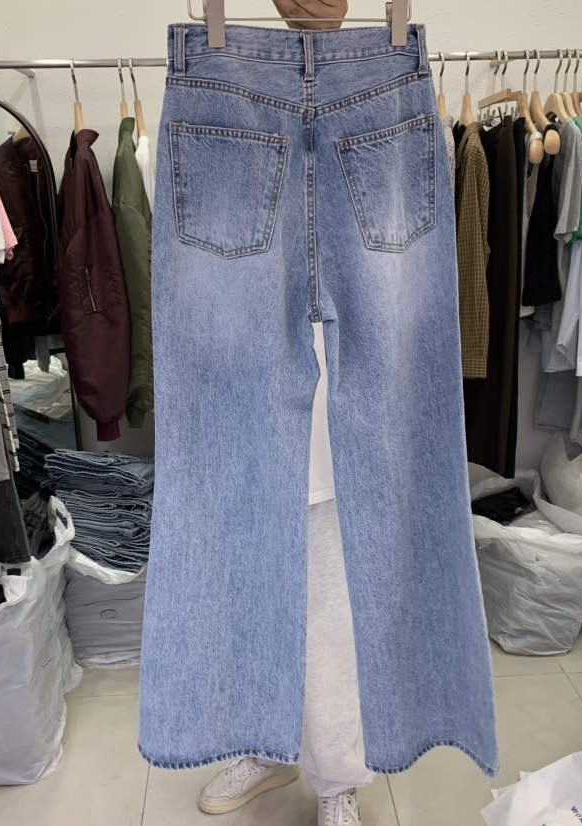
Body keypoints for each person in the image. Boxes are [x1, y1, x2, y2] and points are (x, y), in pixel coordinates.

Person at [192, 9, 366, 821]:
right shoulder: (224, 112)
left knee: (329, 614)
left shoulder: (370, 109)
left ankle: (338, 780)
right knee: (248, 595)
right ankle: (263, 746)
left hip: (337, 432)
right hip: (247, 419)